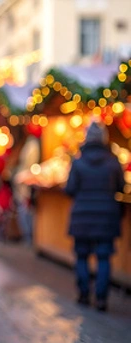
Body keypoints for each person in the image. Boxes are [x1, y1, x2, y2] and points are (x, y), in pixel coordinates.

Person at [64, 122, 124, 312]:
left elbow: (70, 189)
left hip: (82, 216)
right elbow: (121, 188)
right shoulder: (113, 162)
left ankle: (83, 294)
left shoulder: (78, 162)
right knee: (104, 258)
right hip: (107, 216)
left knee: (82, 256)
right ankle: (101, 299)